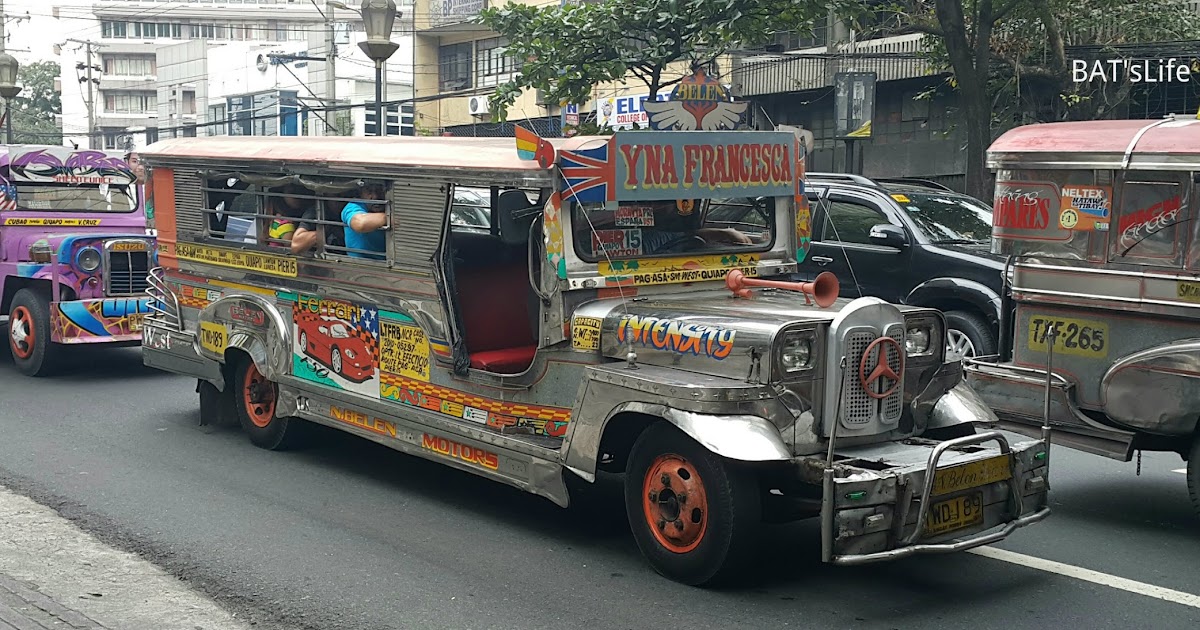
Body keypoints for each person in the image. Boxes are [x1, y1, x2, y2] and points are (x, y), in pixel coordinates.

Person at [267, 185, 320, 255]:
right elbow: (292, 248)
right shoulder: (285, 224)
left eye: (299, 192)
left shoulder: (275, 219)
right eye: (291, 192)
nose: (296, 196)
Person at [341, 183, 388, 260]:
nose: (375, 196)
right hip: (360, 265)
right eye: (369, 191)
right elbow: (360, 223)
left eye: (380, 190)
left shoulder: (389, 206)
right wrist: (387, 218)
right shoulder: (353, 206)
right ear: (360, 193)